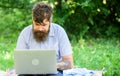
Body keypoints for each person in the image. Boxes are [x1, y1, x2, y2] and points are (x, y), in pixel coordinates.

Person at [16, 2, 73, 76]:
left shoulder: (59, 32)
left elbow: (69, 63)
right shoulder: (25, 33)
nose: (40, 28)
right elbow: (19, 62)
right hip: (30, 72)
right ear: (32, 20)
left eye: (44, 25)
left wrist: (53, 65)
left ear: (50, 22)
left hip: (53, 72)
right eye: (37, 24)